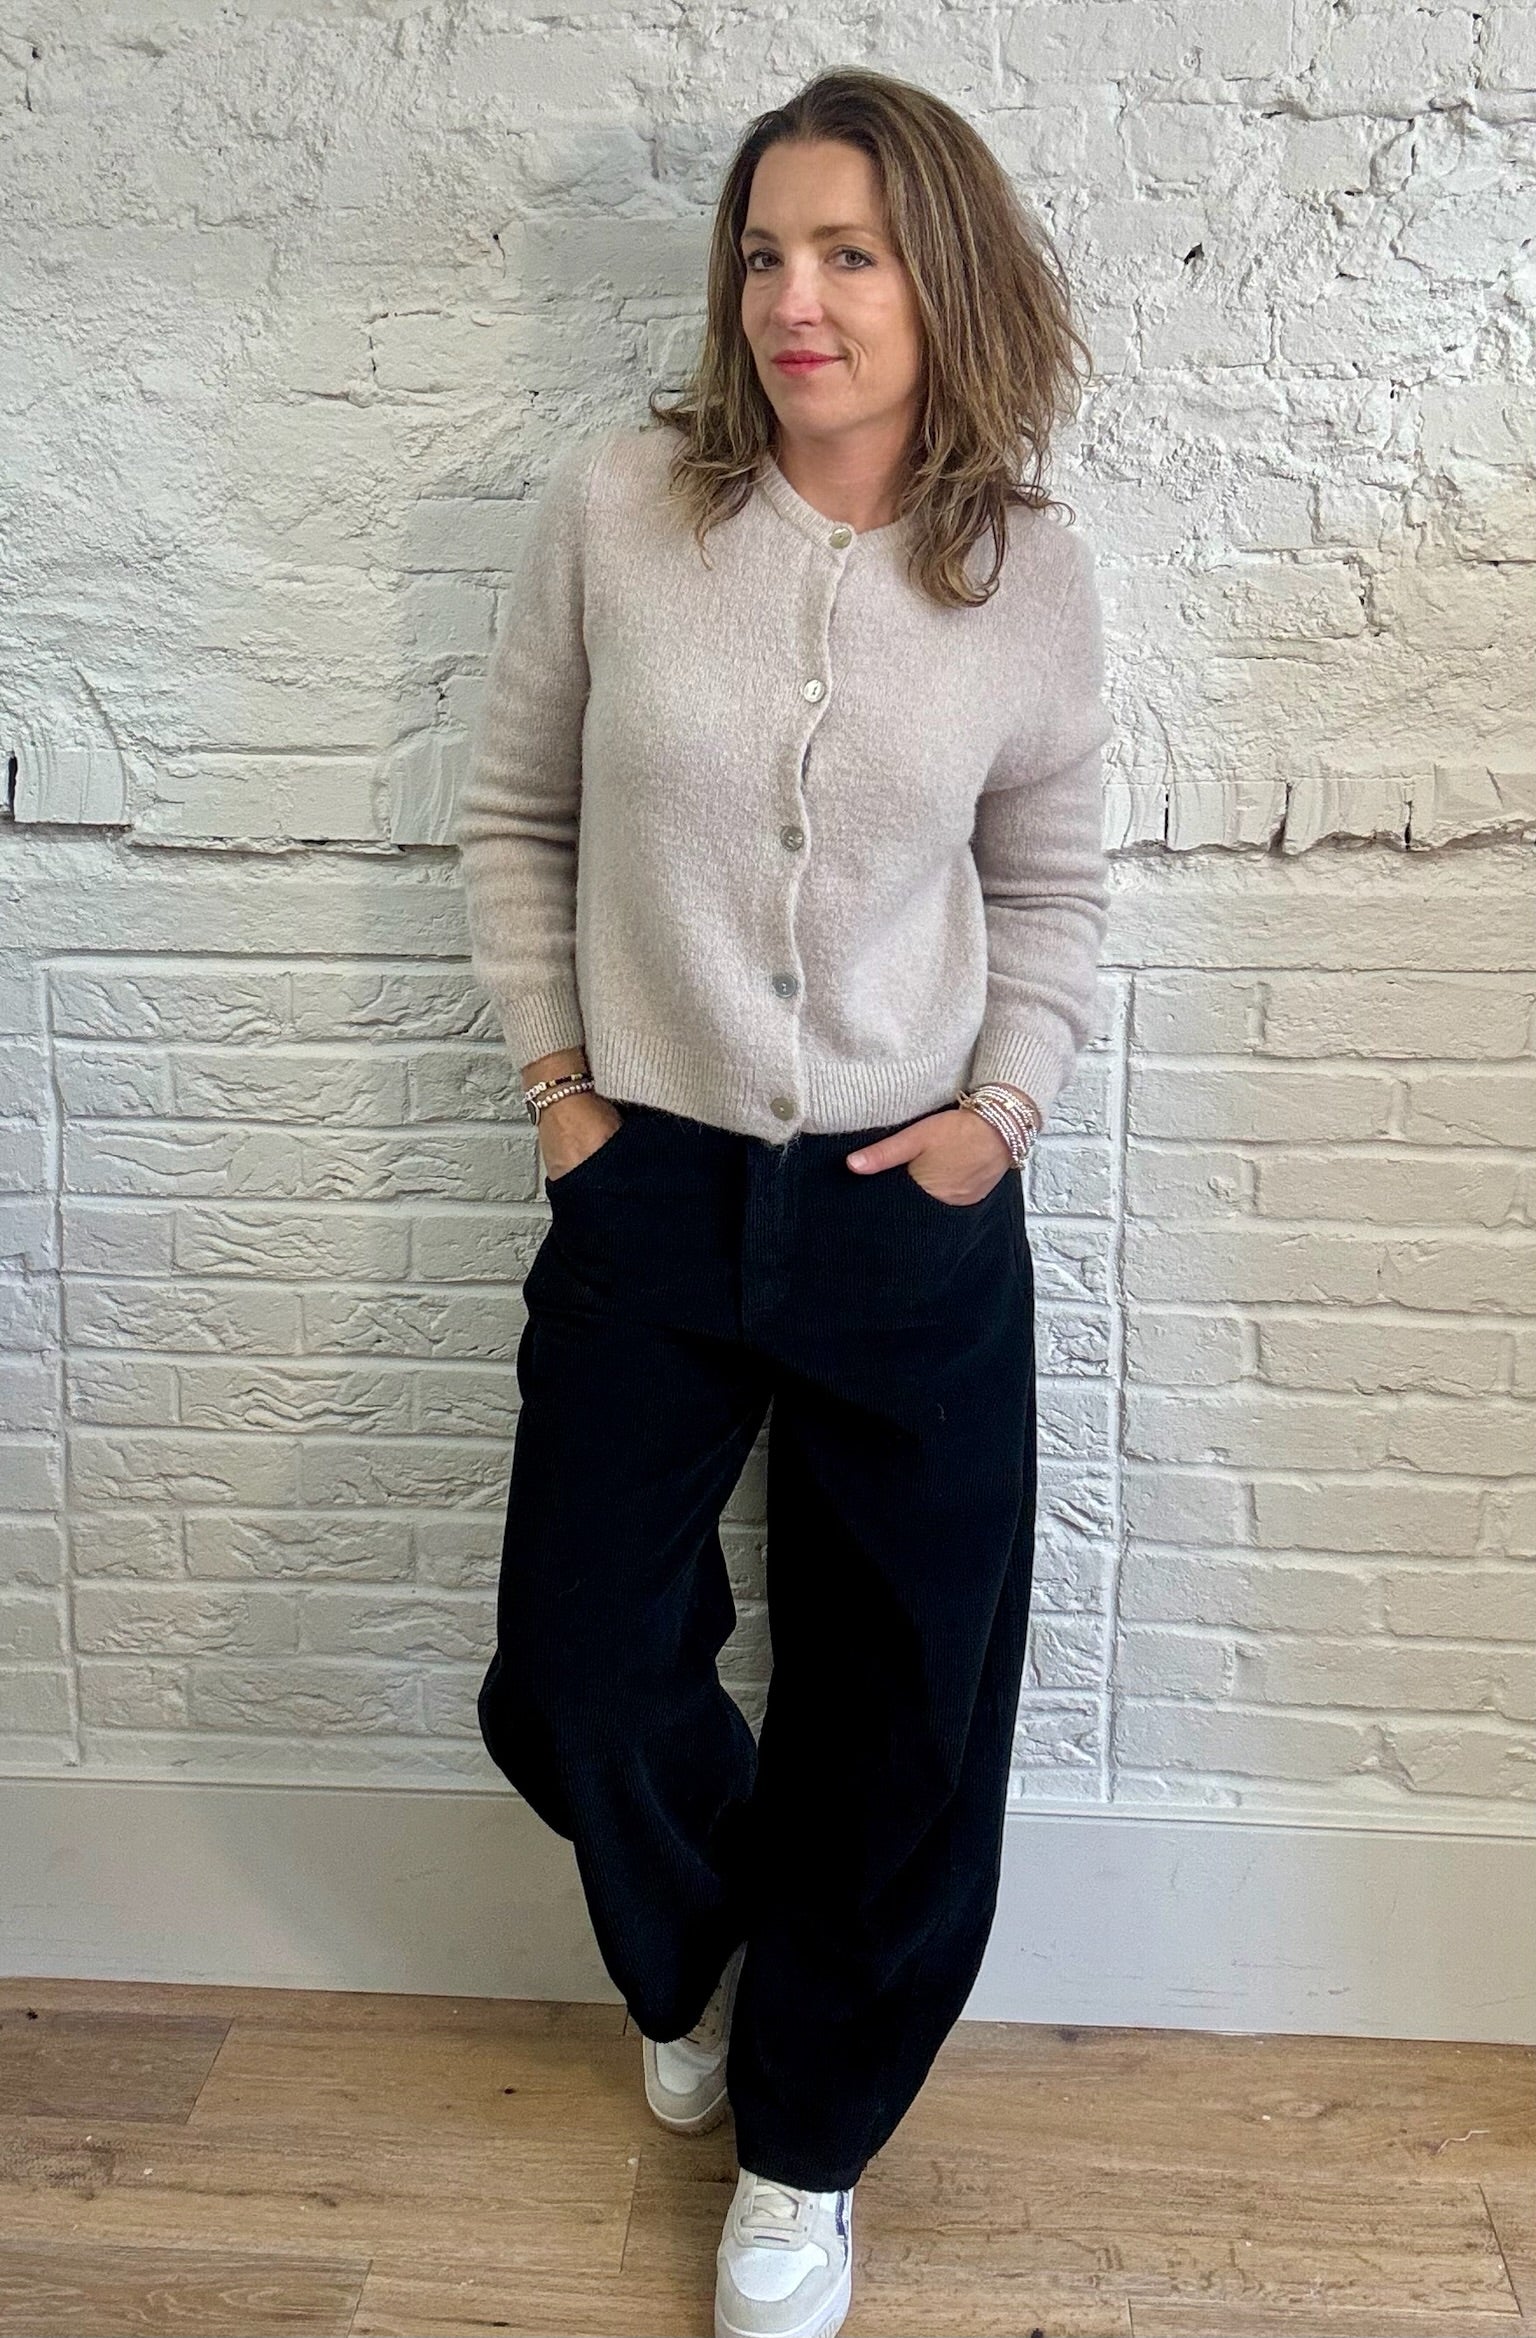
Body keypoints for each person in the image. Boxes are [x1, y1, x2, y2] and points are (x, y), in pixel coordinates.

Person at [452, 64, 1113, 2338]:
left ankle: (808, 2145)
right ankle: (704, 1955)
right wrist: (565, 1091)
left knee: (907, 1701)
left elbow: (1054, 886)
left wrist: (1001, 1111)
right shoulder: (623, 508)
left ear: (947, 281)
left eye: (848, 253)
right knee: (576, 1664)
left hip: (910, 1207)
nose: (793, 302)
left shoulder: (1020, 568)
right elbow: (514, 812)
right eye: (762, 253)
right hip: (649, 1183)